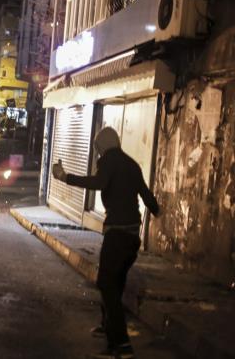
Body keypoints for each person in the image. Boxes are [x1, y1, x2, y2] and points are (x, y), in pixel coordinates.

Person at [52, 127, 161, 359]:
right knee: (115, 283)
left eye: (98, 149)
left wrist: (64, 177)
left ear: (101, 146)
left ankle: (121, 345)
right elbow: (146, 195)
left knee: (106, 283)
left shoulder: (109, 161)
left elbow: (99, 182)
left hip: (118, 235)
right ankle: (108, 327)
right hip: (132, 237)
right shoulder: (131, 164)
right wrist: (157, 209)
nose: (98, 154)